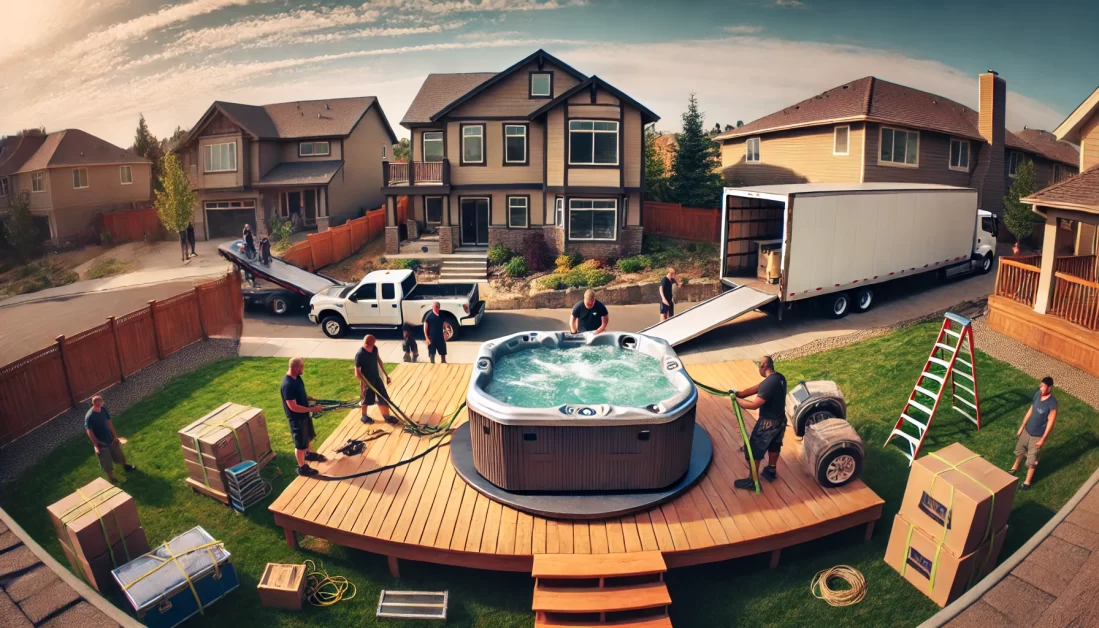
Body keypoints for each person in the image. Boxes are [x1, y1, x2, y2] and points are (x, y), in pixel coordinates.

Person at [731, 356, 787, 491]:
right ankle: (771, 470)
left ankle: (752, 480)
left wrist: (736, 400)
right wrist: (738, 393)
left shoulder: (769, 384)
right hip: (780, 420)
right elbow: (756, 388)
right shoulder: (779, 378)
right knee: (775, 445)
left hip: (768, 424)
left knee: (755, 450)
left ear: (763, 367)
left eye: (759, 366)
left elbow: (754, 405)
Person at [1011, 376, 1058, 491]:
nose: (1041, 387)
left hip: (1037, 436)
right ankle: (1014, 468)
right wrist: (1022, 426)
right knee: (1020, 450)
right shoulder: (1037, 394)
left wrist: (1043, 439)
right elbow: (1031, 409)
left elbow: (1051, 422)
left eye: (1043, 386)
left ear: (1050, 387)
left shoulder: (1052, 404)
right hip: (1027, 430)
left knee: (1032, 460)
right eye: (1041, 385)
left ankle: (1027, 482)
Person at [281, 357, 326, 476]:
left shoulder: (297, 378)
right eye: (302, 367)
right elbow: (293, 407)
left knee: (308, 436)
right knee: (300, 444)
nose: (303, 369)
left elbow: (301, 392)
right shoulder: (288, 385)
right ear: (296, 368)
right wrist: (312, 409)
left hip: (304, 415)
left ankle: (309, 454)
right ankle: (302, 467)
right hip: (297, 419)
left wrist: (309, 398)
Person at [85, 396, 136, 483]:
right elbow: (89, 431)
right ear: (93, 403)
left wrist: (115, 436)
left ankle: (126, 466)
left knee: (119, 455)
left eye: (100, 401)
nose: (99, 403)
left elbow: (109, 423)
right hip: (102, 444)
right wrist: (96, 445)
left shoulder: (103, 410)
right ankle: (112, 478)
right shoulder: (90, 416)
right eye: (97, 402)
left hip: (111, 439)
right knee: (107, 463)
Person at [355, 335, 395, 424]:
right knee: (365, 399)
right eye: (373, 343)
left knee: (383, 397)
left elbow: (379, 361)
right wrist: (365, 384)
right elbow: (357, 373)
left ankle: (386, 416)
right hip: (367, 382)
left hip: (376, 378)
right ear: (370, 343)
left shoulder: (374, 349)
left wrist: (386, 375)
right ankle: (364, 416)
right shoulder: (360, 354)